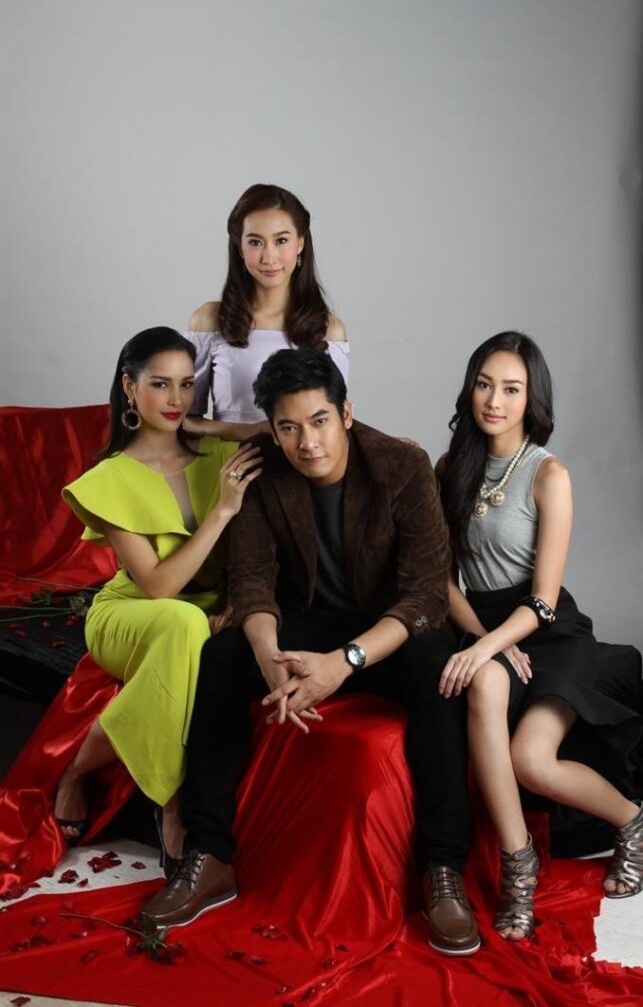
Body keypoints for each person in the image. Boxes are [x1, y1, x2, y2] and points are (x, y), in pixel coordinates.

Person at [141, 347, 482, 957]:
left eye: (320, 421)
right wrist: (269, 658)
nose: (308, 442)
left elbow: (426, 594)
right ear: (272, 429)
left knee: (436, 664)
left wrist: (344, 663)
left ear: (345, 413)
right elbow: (251, 582)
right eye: (289, 427)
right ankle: (210, 855)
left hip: (384, 629)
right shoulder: (263, 468)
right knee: (222, 657)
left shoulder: (402, 465)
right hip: (303, 622)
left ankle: (443, 868)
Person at [437, 330, 643, 941]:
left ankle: (632, 821)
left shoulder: (548, 474)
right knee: (482, 686)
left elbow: (545, 601)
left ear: (532, 399)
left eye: (511, 389)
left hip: (548, 631)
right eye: (484, 385)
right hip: (484, 624)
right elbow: (441, 579)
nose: (494, 401)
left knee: (531, 759)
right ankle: (519, 868)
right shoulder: (449, 469)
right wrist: (483, 638)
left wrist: (491, 644)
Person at [54, 327, 262, 869]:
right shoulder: (110, 478)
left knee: (189, 625)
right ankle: (171, 802)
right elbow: (159, 587)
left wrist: (218, 426)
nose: (177, 399)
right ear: (129, 387)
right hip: (131, 613)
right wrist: (222, 511)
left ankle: (78, 766)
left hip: (205, 608)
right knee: (181, 622)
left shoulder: (219, 453)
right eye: (161, 384)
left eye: (187, 385)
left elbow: (284, 428)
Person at [183, 183, 349, 432]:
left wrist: (392, 446)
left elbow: (337, 423)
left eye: (281, 240)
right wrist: (248, 431)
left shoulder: (329, 329)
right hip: (227, 455)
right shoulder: (210, 320)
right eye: (255, 242)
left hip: (301, 456)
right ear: (239, 247)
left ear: (300, 243)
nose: (269, 257)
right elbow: (183, 420)